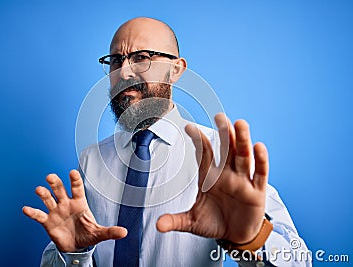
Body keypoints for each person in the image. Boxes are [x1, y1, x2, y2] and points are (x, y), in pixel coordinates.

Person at [23, 17, 311, 266]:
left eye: (141, 57)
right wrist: (74, 252)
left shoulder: (221, 156)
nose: (124, 72)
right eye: (116, 60)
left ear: (176, 69)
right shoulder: (93, 159)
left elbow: (301, 261)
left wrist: (251, 239)